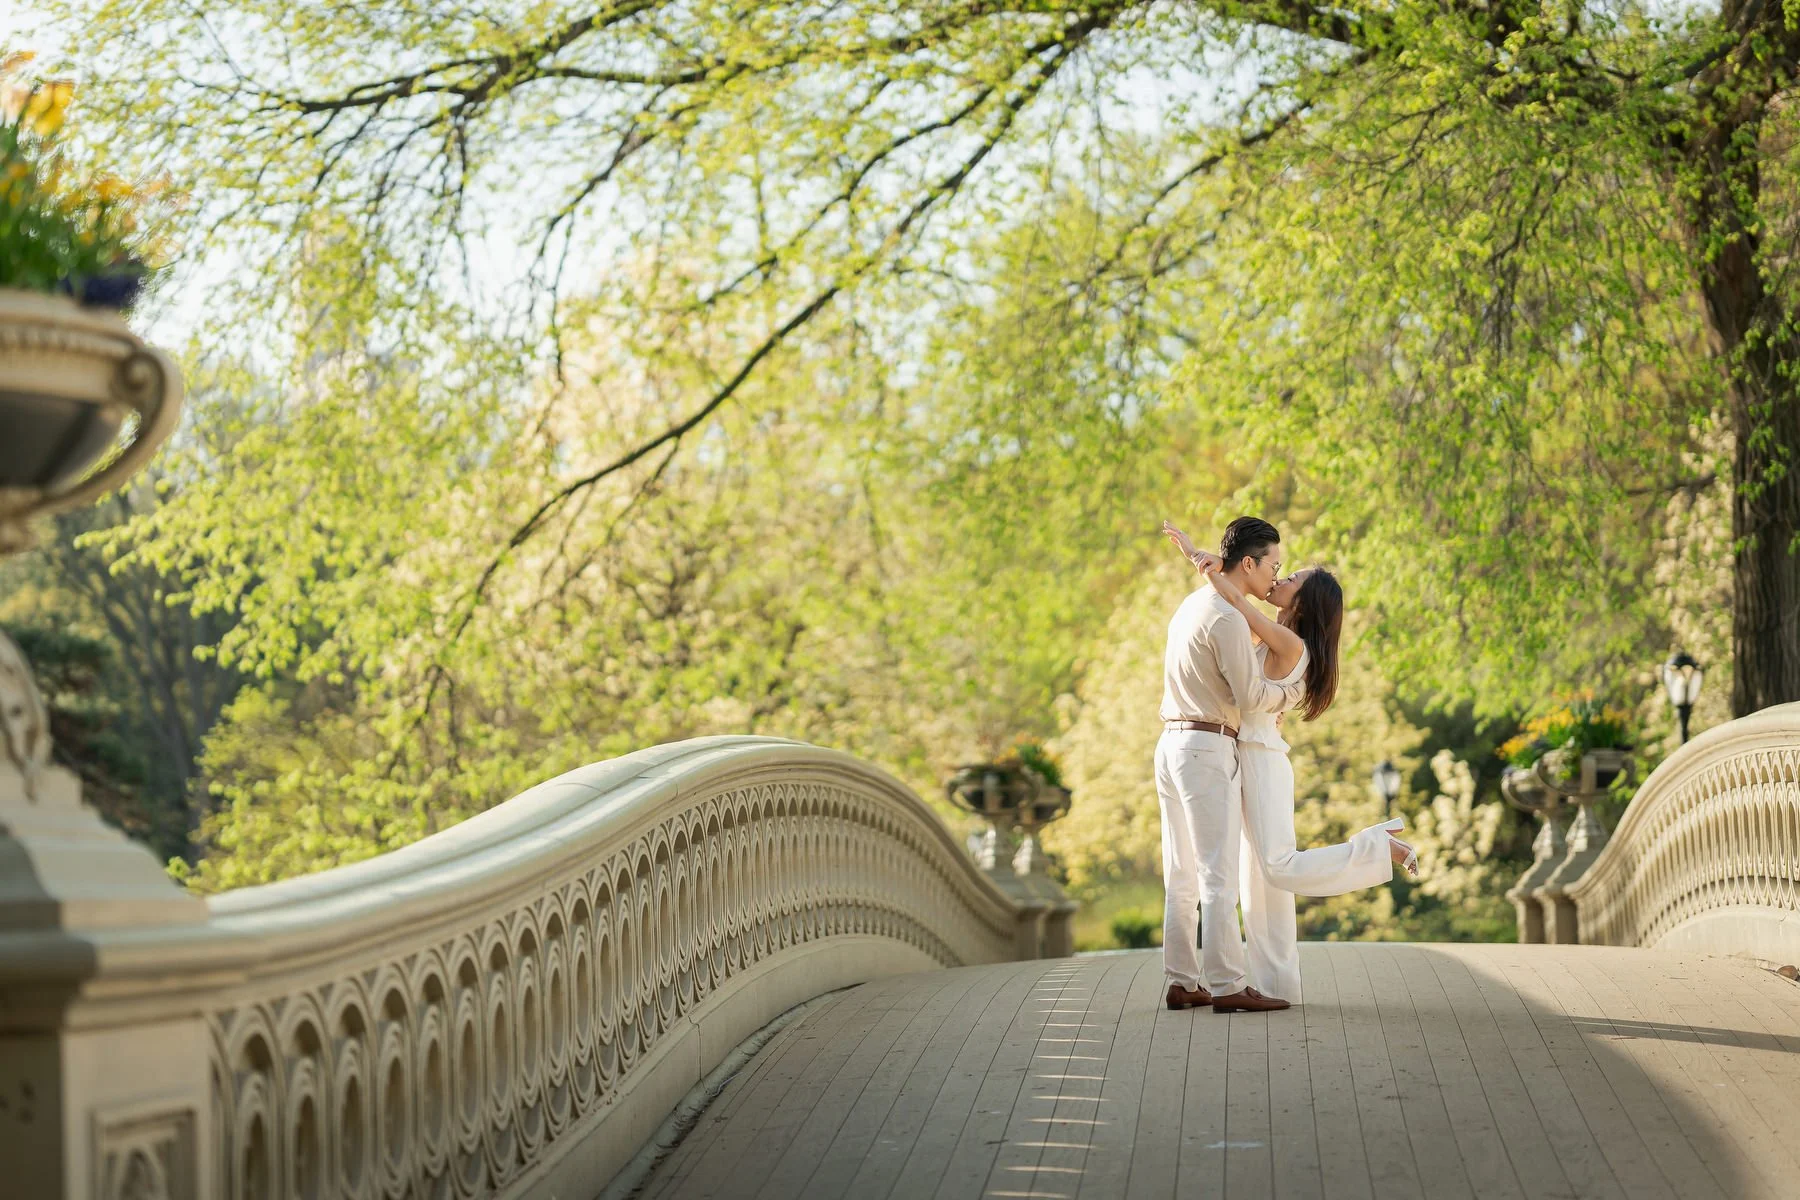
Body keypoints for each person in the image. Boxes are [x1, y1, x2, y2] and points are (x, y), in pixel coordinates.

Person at [1163, 519, 1417, 1006]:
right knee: (1258, 883)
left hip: (1259, 760)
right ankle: (1276, 982)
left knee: (1276, 868)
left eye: (1290, 578)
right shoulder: (1275, 637)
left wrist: (1208, 563)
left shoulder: (1286, 641)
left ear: (1304, 601)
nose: (1279, 579)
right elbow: (1237, 603)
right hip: (1243, 754)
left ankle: (1375, 848)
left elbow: (1237, 601)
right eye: (1278, 569)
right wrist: (1208, 560)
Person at [1154, 516, 1307, 1014]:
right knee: (1216, 873)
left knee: (1181, 872)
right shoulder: (1226, 617)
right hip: (1205, 748)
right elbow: (1249, 695)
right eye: (1273, 566)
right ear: (1250, 563)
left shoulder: (1194, 603)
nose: (1274, 577)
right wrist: (1290, 694)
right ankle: (1227, 985)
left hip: (1170, 744)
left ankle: (1182, 980)